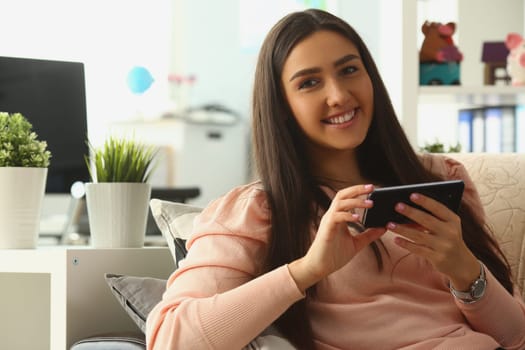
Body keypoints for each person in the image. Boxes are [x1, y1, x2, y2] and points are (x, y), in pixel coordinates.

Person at [146, 9, 525, 350]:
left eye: (349, 70)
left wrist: (464, 270)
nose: (339, 95)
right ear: (282, 105)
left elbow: (515, 337)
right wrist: (309, 269)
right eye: (309, 83)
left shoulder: (441, 179)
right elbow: (170, 341)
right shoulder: (258, 211)